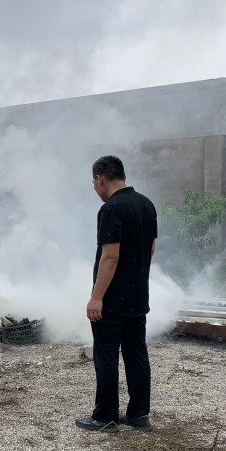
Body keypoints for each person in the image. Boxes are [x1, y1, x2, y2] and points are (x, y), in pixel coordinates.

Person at [76, 155, 157, 433]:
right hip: (138, 297)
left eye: (93, 182)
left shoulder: (111, 209)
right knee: (136, 355)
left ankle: (105, 418)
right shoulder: (147, 204)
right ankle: (139, 415)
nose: (94, 187)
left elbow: (110, 257)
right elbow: (150, 249)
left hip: (112, 300)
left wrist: (97, 297)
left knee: (107, 356)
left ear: (100, 179)